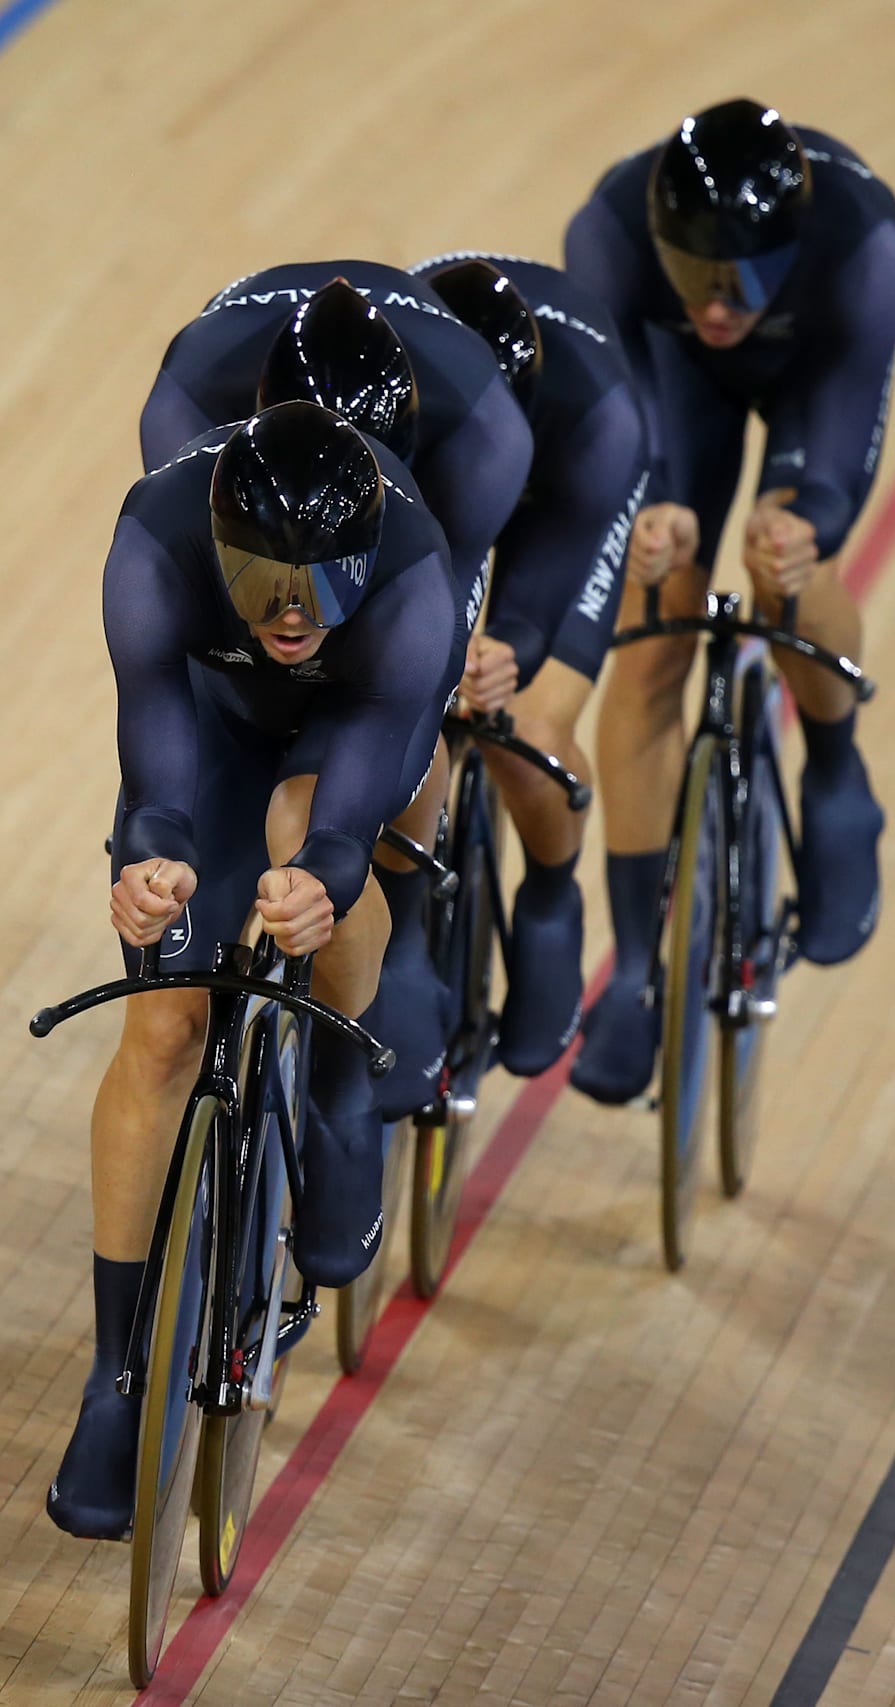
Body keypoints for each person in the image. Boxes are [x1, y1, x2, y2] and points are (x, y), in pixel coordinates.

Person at [46, 400, 464, 1541]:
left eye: (319, 583)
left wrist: (326, 873)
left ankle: (339, 1082)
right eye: (264, 579)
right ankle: (116, 1378)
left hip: (347, 734)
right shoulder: (156, 534)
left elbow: (361, 783)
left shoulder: (418, 578)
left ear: (363, 563)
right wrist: (150, 863)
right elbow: (157, 748)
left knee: (305, 839)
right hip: (212, 725)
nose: (291, 612)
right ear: (219, 547)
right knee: (166, 1027)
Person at [563, 97, 895, 1104]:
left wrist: (813, 523)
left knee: (784, 559)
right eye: (697, 275)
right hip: (676, 390)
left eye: (747, 278)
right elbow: (621, 421)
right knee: (657, 619)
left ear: (790, 251)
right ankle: (634, 966)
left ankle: (838, 775)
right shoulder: (608, 236)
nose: (720, 305)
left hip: (813, 382)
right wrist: (655, 506)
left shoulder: (863, 248)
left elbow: (838, 458)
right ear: (660, 244)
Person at [139, 262, 534, 1108]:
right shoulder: (187, 408)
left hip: (421, 542)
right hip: (253, 521)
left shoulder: (482, 442)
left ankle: (408, 924)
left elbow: (414, 669)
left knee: (414, 688)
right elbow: (189, 619)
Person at [409, 251, 648, 1075]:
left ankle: (550, 896)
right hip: (423, 472)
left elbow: (536, 609)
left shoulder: (597, 421)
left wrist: (503, 648)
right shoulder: (389, 374)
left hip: (565, 503)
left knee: (527, 730)